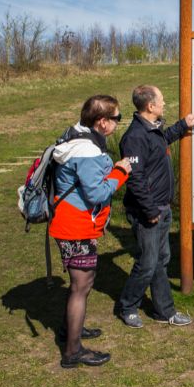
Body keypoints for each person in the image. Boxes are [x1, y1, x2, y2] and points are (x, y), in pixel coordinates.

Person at [49, 94, 131, 369]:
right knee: (81, 286)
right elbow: (96, 192)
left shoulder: (75, 136)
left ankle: (72, 329)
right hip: (76, 225)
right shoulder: (87, 151)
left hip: (71, 221)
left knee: (82, 282)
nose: (119, 123)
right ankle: (73, 351)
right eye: (117, 118)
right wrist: (120, 172)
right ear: (103, 122)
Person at [117, 85, 194, 328]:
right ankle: (127, 306)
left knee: (161, 259)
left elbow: (164, 140)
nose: (165, 104)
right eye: (162, 101)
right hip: (147, 212)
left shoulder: (153, 130)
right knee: (147, 263)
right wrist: (150, 210)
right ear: (150, 106)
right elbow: (135, 179)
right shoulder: (134, 137)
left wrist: (182, 125)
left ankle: (165, 311)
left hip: (161, 209)